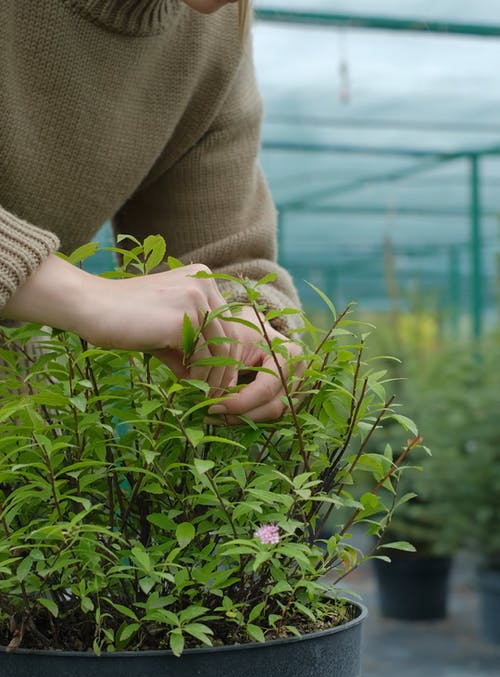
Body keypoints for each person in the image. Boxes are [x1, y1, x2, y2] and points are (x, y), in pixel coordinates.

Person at [0, 0, 303, 422]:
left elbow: (223, 256)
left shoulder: (215, 27)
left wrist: (248, 321)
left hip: (23, 425)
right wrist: (81, 296)